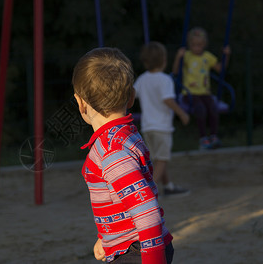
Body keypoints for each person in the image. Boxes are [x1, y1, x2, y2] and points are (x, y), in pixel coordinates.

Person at [72, 47, 174, 264]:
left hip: (139, 251)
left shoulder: (112, 152)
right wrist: (107, 238)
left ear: (80, 103)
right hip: (134, 245)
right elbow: (120, 197)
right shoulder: (123, 135)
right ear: (131, 98)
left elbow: (148, 213)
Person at [134, 41, 191, 197]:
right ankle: (147, 193)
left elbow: (132, 95)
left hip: (147, 127)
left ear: (145, 62)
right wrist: (182, 113)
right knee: (162, 160)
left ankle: (169, 186)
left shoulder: (142, 79)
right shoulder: (165, 80)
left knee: (157, 158)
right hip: (162, 127)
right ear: (164, 60)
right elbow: (168, 100)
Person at [172, 27, 231, 149]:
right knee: (201, 109)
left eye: (199, 45)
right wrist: (178, 57)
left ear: (204, 45)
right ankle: (203, 138)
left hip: (205, 92)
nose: (196, 48)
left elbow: (221, 69)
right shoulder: (186, 56)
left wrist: (226, 56)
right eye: (193, 45)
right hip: (189, 94)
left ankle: (214, 136)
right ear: (189, 45)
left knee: (213, 108)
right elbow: (175, 71)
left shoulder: (207, 57)